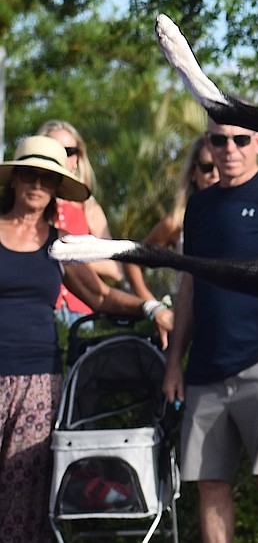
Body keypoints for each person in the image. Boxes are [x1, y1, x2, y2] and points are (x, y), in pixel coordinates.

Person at [0, 135, 172, 542]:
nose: (37, 185)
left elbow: (98, 295)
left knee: (23, 492)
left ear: (58, 188)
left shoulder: (59, 245)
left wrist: (150, 308)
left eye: (48, 179)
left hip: (37, 382)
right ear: (15, 179)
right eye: (30, 174)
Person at [161, 120, 258, 542]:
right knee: (210, 484)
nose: (230, 148)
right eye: (220, 139)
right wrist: (175, 363)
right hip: (205, 369)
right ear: (208, 143)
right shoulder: (200, 206)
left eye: (241, 139)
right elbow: (188, 285)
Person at [37, 120, 125, 326]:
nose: (62, 156)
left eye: (69, 151)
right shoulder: (30, 205)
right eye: (54, 148)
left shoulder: (90, 209)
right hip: (42, 308)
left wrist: (70, 254)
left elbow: (115, 270)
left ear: (77, 158)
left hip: (81, 313)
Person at [125, 135, 220, 309]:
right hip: (191, 319)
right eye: (207, 167)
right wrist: (154, 309)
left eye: (220, 166)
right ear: (193, 172)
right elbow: (133, 261)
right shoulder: (177, 221)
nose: (215, 174)